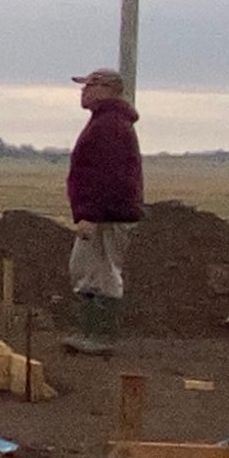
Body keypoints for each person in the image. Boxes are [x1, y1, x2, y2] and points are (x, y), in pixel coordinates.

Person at [63, 66, 143, 355]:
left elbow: (105, 176)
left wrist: (90, 215)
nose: (84, 91)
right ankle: (91, 333)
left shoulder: (109, 125)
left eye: (90, 85)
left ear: (108, 88)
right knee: (86, 270)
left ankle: (101, 337)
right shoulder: (105, 121)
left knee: (103, 272)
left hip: (108, 214)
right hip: (105, 212)